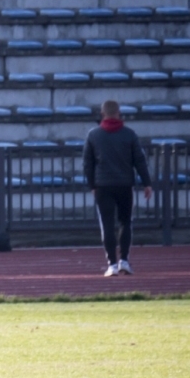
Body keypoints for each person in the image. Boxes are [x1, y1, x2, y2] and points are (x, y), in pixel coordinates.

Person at [84, 99, 152, 277]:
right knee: (125, 222)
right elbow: (139, 160)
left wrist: (92, 185)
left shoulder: (94, 135)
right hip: (124, 184)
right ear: (119, 113)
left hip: (103, 185)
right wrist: (147, 183)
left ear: (102, 114)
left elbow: (88, 164)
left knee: (106, 225)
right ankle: (125, 261)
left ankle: (112, 264)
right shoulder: (129, 134)